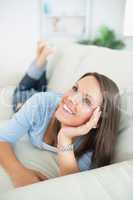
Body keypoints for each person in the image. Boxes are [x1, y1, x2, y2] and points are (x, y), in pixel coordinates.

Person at [0, 72, 120, 191]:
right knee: (20, 94)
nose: (72, 98)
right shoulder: (41, 103)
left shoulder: (91, 149)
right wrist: (17, 171)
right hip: (25, 101)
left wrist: (65, 139)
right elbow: (2, 137)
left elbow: (71, 188)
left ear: (97, 120)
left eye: (86, 101)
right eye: (75, 88)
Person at [12, 41, 54, 112]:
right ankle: (40, 54)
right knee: (39, 74)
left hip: (23, 97)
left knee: (35, 76)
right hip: (36, 94)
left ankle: (42, 54)